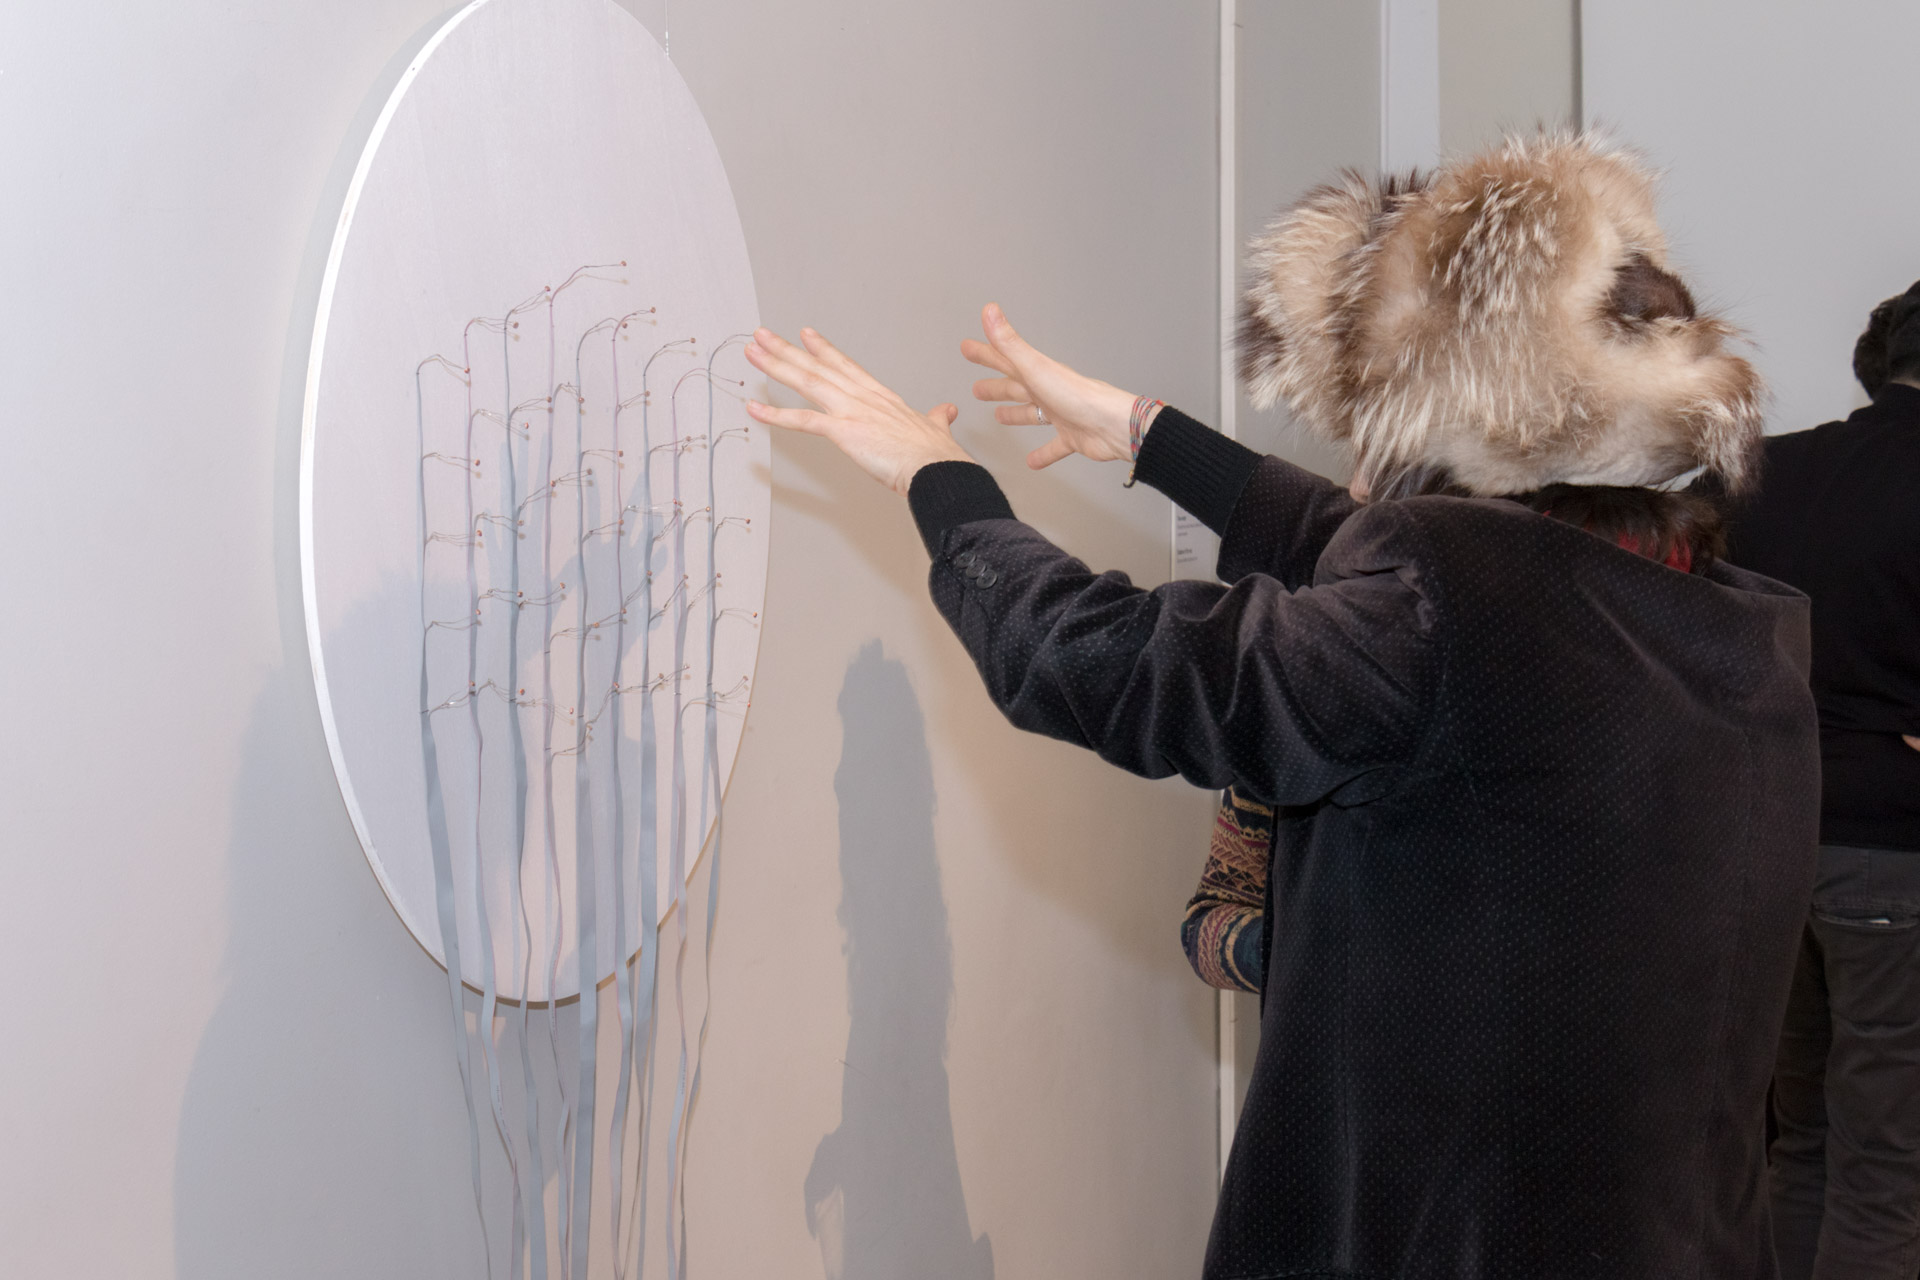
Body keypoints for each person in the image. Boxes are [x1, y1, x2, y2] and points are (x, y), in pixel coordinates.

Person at [742, 133, 1820, 1278]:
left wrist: (939, 480)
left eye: (1381, 429)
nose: (1356, 469)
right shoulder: (1723, 625)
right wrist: (1148, 436)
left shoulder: (1454, 616)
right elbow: (1422, 572)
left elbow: (1118, 665)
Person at [1709, 281, 1920, 1280]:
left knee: (1799, 1142)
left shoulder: (1764, 475)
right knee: (1888, 1164)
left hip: (1768, 840)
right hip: (1896, 857)